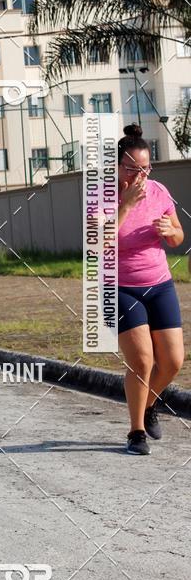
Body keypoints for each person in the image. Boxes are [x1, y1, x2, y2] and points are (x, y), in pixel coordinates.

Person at [117, 124, 185, 455]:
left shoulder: (159, 191)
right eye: (133, 169)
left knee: (173, 361)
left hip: (159, 284)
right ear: (117, 167)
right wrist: (126, 204)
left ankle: (147, 404)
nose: (140, 175)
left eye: (145, 168)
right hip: (121, 288)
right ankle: (136, 432)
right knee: (143, 361)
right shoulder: (102, 196)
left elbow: (178, 237)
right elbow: (96, 245)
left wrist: (169, 229)